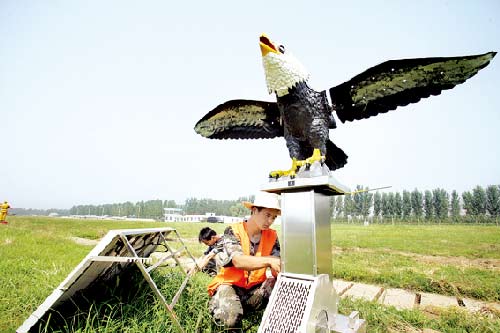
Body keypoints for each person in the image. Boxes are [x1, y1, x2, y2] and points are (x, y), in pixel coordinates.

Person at [207, 191, 281, 329]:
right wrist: (269, 261)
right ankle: (222, 306)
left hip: (253, 290)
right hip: (230, 286)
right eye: (267, 215)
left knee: (282, 286)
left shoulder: (272, 236)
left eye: (274, 217)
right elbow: (238, 261)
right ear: (254, 210)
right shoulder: (233, 231)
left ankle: (243, 310)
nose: (270, 221)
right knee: (230, 320)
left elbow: (277, 264)